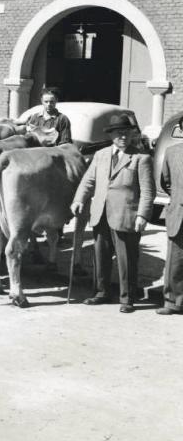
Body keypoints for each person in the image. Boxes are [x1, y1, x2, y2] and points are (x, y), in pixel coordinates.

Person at [71, 113, 155, 313]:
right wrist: (78, 199)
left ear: (131, 134)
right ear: (111, 135)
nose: (123, 137)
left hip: (126, 215)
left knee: (127, 259)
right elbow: (88, 181)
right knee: (100, 255)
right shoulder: (101, 155)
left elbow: (148, 191)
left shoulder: (141, 158)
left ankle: (127, 298)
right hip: (100, 213)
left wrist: (143, 215)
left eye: (126, 132)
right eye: (118, 133)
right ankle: (101, 292)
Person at [157, 122, 183, 314]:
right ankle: (173, 301)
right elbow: (165, 181)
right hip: (178, 212)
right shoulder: (172, 151)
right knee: (175, 259)